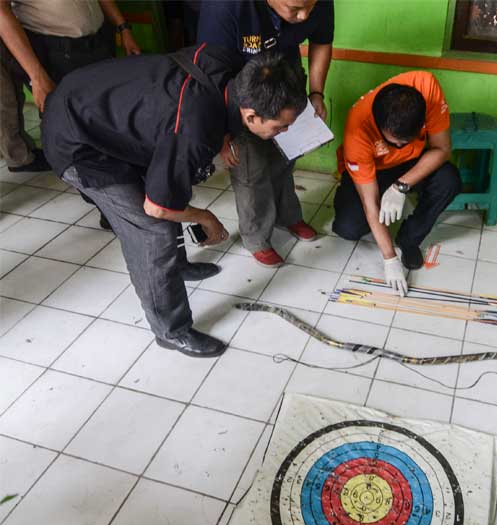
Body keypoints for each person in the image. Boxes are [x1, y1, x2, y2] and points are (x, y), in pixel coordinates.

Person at [41, 46, 308, 357]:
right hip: (79, 144)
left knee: (174, 182)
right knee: (153, 232)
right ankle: (171, 330)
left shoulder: (232, 72)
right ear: (250, 114)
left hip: (104, 112)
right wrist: (206, 217)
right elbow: (157, 207)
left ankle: (178, 266)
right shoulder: (195, 130)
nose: (285, 131)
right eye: (280, 127)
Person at [197, 0, 334, 268]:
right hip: (241, 99)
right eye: (294, 9)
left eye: (309, 7)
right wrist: (223, 133)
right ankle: (256, 237)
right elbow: (211, 72)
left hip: (287, 89)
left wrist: (316, 92)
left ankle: (288, 215)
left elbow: (322, 41)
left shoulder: (314, 3)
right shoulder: (225, 7)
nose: (304, 15)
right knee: (251, 170)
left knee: (287, 158)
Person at [332, 71, 461, 296]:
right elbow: (370, 202)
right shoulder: (358, 129)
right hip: (375, 170)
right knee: (348, 228)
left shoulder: (427, 87)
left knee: (449, 180)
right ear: (379, 126)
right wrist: (390, 259)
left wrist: (401, 186)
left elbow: (442, 149)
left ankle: (409, 238)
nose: (400, 145)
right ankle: (350, 198)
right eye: (396, 142)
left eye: (407, 140)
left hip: (413, 163)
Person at [0, 0, 140, 176]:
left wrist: (123, 27)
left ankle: (121, 171)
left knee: (109, 113)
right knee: (73, 127)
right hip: (55, 47)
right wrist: (36, 76)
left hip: (98, 39)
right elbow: (2, 13)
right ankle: (98, 185)